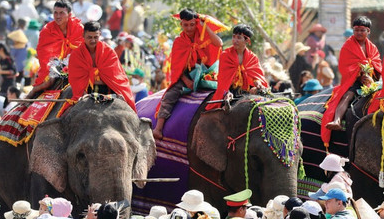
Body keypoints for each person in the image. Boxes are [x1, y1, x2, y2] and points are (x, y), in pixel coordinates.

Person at [152, 9, 223, 139]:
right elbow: (176, 67)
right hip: (187, 76)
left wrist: (204, 27)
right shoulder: (179, 41)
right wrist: (186, 81)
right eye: (186, 25)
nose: (189, 28)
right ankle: (158, 128)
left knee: (226, 92)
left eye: (192, 24)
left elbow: (219, 43)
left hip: (207, 74)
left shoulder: (203, 35)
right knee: (170, 95)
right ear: (181, 25)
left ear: (196, 23)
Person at [321, 16, 381, 143]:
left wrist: (370, 76)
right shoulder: (347, 46)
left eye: (362, 30)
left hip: (372, 80)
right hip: (353, 80)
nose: (359, 33)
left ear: (368, 31)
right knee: (347, 96)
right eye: (356, 30)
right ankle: (337, 120)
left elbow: (377, 64)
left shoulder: (373, 48)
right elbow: (344, 67)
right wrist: (359, 75)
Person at [68, 21, 136, 110]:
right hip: (85, 93)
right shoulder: (76, 54)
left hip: (109, 93)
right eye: (89, 37)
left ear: (100, 35)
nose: (92, 40)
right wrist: (83, 94)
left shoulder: (109, 52)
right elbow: (76, 79)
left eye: (95, 37)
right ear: (83, 35)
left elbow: (117, 77)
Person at [205, 24, 268, 112]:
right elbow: (223, 80)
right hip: (229, 93)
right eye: (233, 37)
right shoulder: (225, 55)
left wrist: (258, 84)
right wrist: (226, 93)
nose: (235, 40)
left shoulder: (252, 57)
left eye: (239, 38)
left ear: (247, 40)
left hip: (248, 93)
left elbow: (256, 76)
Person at [31, 0, 84, 97]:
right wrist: (55, 65)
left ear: (69, 14)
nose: (58, 16)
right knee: (48, 82)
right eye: (55, 12)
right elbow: (43, 53)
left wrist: (70, 61)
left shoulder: (79, 28)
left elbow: (83, 49)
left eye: (61, 13)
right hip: (54, 65)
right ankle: (31, 94)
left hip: (75, 63)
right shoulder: (47, 30)